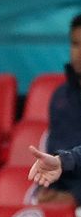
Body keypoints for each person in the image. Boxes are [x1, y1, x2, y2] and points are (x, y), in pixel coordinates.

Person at [33, 13, 81, 205]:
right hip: (60, 191)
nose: (79, 52)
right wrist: (49, 190)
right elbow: (53, 153)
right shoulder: (60, 97)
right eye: (75, 44)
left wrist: (75, 197)